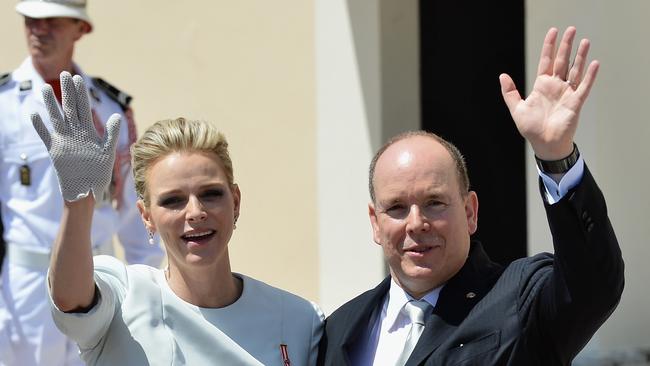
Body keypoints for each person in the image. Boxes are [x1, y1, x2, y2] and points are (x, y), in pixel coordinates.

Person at [317, 26, 624, 366]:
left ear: (470, 211)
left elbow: (593, 286)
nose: (416, 224)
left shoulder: (520, 298)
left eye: (434, 202)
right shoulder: (338, 329)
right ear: (376, 223)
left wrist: (556, 155)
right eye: (397, 208)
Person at [33, 72, 324, 365]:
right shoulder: (122, 294)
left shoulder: (300, 320)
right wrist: (79, 202)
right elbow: (71, 301)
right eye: (173, 201)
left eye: (210, 194)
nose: (195, 212)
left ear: (235, 201)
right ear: (147, 217)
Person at [0, 1, 163, 365]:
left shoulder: (108, 108)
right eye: (31, 20)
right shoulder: (4, 106)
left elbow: (131, 209)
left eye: (52, 20)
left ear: (81, 29)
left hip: (99, 276)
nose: (38, 30)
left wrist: (148, 291)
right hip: (25, 287)